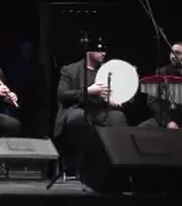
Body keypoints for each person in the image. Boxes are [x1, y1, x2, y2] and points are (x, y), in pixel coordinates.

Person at [54, 47, 128, 176]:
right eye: (100, 50)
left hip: (100, 110)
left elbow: (116, 93)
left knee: (118, 117)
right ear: (89, 51)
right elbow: (62, 95)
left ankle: (117, 168)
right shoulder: (70, 69)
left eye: (105, 50)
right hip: (77, 109)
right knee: (77, 118)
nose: (104, 53)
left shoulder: (108, 70)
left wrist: (113, 98)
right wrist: (88, 91)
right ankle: (82, 166)